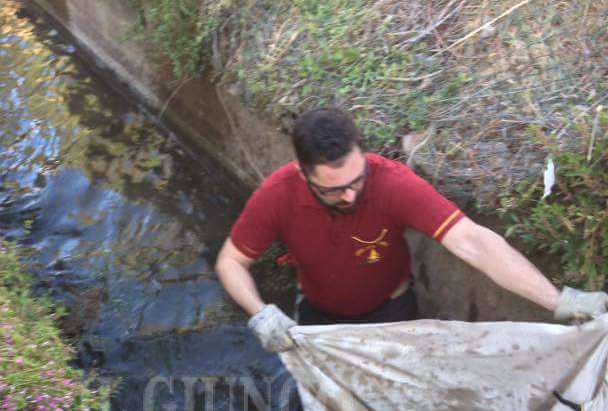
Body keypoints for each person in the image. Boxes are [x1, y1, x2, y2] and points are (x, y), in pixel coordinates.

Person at [215, 107, 608, 352]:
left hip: (393, 315)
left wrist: (557, 300)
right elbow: (231, 261)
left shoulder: (392, 183)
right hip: (320, 321)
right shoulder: (278, 194)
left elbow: (472, 242)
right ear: (304, 173)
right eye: (333, 190)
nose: (351, 196)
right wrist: (262, 313)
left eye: (357, 180)